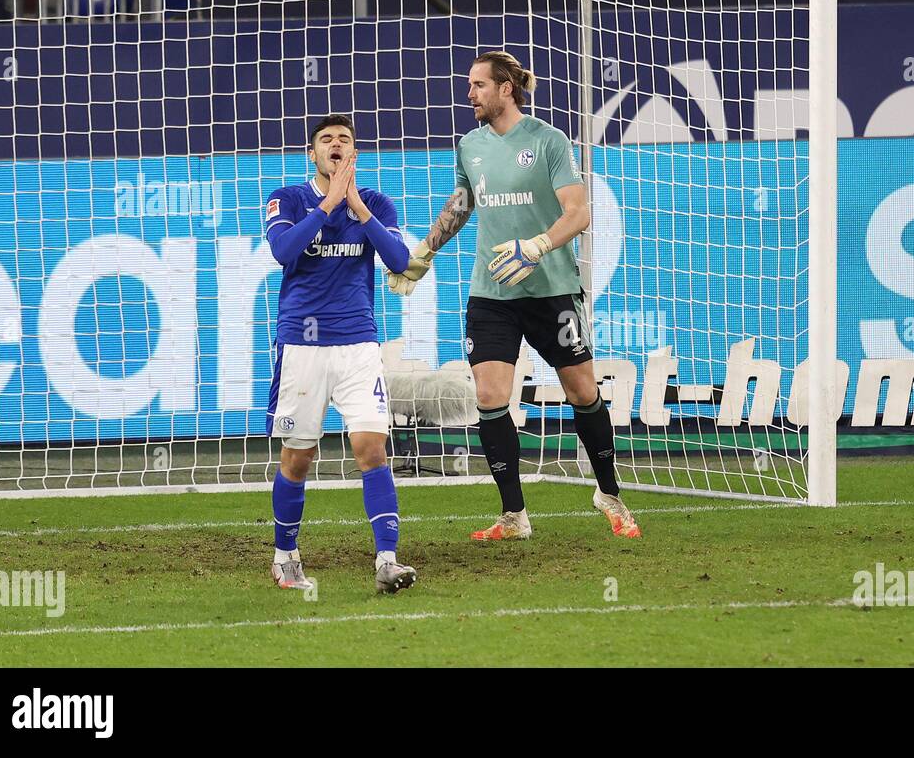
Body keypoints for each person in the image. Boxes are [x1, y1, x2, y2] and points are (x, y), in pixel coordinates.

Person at [386, 50, 641, 540]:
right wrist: (424, 252)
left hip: (552, 290)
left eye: (478, 85)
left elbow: (578, 212)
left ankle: (608, 491)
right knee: (489, 395)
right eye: (469, 85)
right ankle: (514, 514)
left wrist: (537, 245)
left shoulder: (548, 141)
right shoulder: (470, 145)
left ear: (506, 88)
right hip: (492, 292)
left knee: (582, 391)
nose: (469, 93)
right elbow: (461, 206)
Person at [264, 114, 418, 593]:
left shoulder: (375, 203)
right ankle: (285, 556)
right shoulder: (287, 198)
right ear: (312, 153)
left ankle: (387, 560)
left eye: (344, 140)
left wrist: (354, 206)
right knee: (298, 459)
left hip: (357, 344)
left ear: (354, 154)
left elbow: (399, 262)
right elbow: (283, 251)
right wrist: (328, 204)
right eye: (326, 140)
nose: (335, 144)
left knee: (372, 449)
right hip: (303, 345)